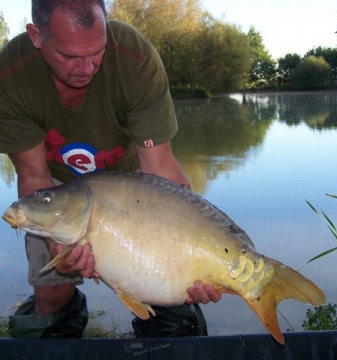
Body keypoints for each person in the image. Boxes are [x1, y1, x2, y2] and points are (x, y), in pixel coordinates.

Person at [0, 0, 221, 339]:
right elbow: (32, 176)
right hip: (56, 187)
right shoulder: (11, 75)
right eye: (70, 56)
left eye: (97, 51)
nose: (87, 67)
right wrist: (57, 249)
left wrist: (192, 247)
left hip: (132, 186)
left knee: (169, 293)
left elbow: (160, 168)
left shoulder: (134, 57)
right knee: (51, 294)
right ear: (36, 36)